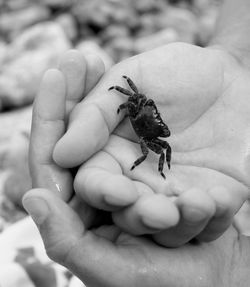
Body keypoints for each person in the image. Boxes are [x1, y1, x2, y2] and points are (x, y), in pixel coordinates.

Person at [23, 0, 250, 285]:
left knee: (162, 150)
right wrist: (239, 59)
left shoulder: (151, 137)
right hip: (143, 127)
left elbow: (158, 145)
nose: (150, 108)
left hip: (145, 134)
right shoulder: (139, 103)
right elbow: (128, 90)